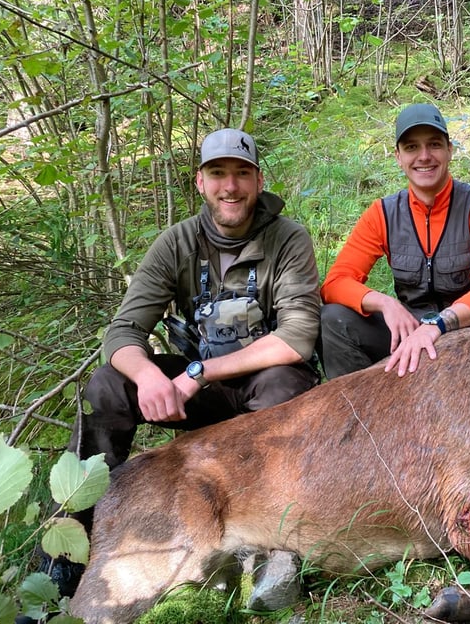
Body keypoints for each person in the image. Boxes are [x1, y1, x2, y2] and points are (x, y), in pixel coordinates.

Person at [44, 128, 321, 601]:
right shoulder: (176, 244)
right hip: (202, 394)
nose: (229, 186)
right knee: (109, 386)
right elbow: (123, 332)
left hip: (266, 390)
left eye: (241, 174)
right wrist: (150, 375)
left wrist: (197, 374)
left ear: (257, 180)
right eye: (218, 174)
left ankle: (271, 536)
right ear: (200, 181)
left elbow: (297, 338)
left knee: (281, 387)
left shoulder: (288, 240)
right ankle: (66, 544)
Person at [320, 103, 470, 378]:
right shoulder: (382, 214)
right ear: (398, 156)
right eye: (412, 147)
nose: (424, 156)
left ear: (450, 150)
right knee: (334, 319)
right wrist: (386, 304)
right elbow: (335, 283)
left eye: (434, 144)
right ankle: (355, 412)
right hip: (411, 324)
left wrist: (438, 324)